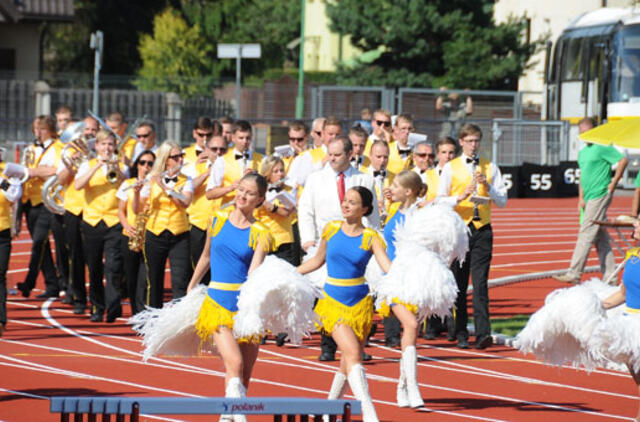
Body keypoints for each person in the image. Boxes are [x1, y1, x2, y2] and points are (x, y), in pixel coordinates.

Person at [298, 186, 391, 422]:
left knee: (346, 362)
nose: (346, 205)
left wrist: (407, 277)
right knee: (353, 353)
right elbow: (317, 261)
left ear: (365, 209)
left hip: (359, 303)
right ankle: (369, 412)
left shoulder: (371, 237)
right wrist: (289, 273)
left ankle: (330, 411)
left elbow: (387, 267)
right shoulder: (330, 230)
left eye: (352, 202)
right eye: (345, 200)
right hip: (332, 302)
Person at [187, 173, 273, 422]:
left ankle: (226, 418)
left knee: (244, 374)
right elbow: (206, 256)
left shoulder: (261, 233)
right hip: (217, 303)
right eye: (241, 190)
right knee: (234, 363)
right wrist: (192, 287)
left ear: (260, 199)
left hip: (245, 306)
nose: (242, 196)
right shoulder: (217, 219)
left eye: (250, 193)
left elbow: (253, 273)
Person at [298, 135, 379, 362]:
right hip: (326, 242)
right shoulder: (316, 179)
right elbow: (305, 210)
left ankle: (355, 344)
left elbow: (372, 215)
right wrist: (307, 240)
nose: (332, 159)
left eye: (337, 155)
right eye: (330, 154)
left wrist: (374, 242)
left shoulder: (365, 179)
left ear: (350, 154)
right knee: (327, 294)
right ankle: (327, 345)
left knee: (356, 292)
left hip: (356, 242)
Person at [437, 123, 507, 349]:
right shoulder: (450, 168)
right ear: (461, 142)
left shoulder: (490, 166)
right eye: (469, 141)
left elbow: (503, 201)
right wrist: (459, 197)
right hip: (459, 229)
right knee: (458, 283)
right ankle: (460, 332)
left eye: (476, 140)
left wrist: (488, 186)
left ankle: (483, 333)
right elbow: (439, 200)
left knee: (480, 283)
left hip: (482, 229)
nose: (473, 145)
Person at [554, 117, 628, 285]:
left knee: (586, 232)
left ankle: (575, 272)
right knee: (599, 236)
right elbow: (583, 175)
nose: (583, 135)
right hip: (588, 197)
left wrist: (613, 183)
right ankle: (611, 276)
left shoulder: (602, 147)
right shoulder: (583, 152)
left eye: (586, 132)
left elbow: (623, 160)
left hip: (600, 194)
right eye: (581, 133)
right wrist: (581, 197)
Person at [381, 170, 427, 407]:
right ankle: (414, 388)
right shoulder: (391, 209)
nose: (392, 188)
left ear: (408, 191)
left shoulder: (420, 216)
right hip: (391, 278)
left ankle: (402, 386)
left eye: (396, 185)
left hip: (413, 279)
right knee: (411, 324)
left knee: (410, 332)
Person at [133, 141, 193, 308]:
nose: (181, 160)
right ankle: (152, 321)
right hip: (155, 233)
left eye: (182, 156)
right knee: (154, 281)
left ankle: (177, 324)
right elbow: (137, 209)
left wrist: (164, 186)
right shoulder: (151, 180)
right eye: (176, 157)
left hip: (180, 234)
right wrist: (136, 194)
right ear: (166, 160)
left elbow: (185, 202)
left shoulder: (187, 180)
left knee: (180, 281)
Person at [74, 129, 127, 322]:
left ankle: (113, 305)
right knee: (94, 267)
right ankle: (97, 306)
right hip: (92, 221)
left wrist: (117, 168)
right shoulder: (87, 165)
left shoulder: (120, 166)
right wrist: (97, 166)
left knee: (113, 267)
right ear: (96, 146)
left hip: (114, 221)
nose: (107, 148)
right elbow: (78, 185)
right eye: (103, 144)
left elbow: (126, 185)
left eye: (111, 145)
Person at [16, 116, 65, 299]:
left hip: (48, 201)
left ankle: (29, 282)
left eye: (42, 129)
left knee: (39, 242)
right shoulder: (30, 149)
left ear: (50, 130)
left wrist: (34, 172)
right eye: (36, 128)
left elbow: (56, 170)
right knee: (41, 246)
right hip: (30, 201)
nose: (38, 132)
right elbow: (24, 170)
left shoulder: (59, 148)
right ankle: (52, 285)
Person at [56, 116, 99, 314]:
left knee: (96, 257)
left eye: (93, 129)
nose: (89, 132)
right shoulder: (69, 152)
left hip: (97, 209)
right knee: (76, 254)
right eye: (86, 129)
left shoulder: (102, 152)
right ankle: (79, 297)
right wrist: (71, 165)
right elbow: (61, 180)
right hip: (75, 208)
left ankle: (98, 299)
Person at [423, 136, 458, 339]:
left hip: (452, 232)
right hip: (432, 230)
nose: (447, 156)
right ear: (438, 154)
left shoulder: (460, 175)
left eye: (451, 153)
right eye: (444, 152)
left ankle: (452, 326)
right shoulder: (428, 176)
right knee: (432, 277)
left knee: (453, 278)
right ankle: (432, 324)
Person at [116, 150, 155, 315]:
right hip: (132, 235)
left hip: (151, 236)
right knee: (131, 277)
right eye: (142, 162)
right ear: (137, 165)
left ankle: (144, 312)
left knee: (146, 279)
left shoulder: (156, 185)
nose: (146, 166)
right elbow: (121, 211)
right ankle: (135, 312)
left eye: (150, 164)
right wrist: (126, 226)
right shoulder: (128, 184)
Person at [185, 135, 226, 284]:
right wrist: (209, 172)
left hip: (222, 223)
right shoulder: (196, 166)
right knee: (197, 268)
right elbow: (190, 186)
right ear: (207, 149)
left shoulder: (230, 167)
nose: (218, 152)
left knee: (219, 268)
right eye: (214, 149)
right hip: (199, 224)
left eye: (222, 149)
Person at [206, 120, 264, 207]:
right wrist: (231, 187)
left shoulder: (262, 159)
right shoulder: (222, 161)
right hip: (228, 213)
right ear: (233, 138)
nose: (245, 142)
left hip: (254, 215)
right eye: (241, 138)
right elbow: (209, 194)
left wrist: (257, 179)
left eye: (248, 138)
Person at [0, 155, 23, 336]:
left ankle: (1, 319)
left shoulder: (7, 175)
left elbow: (14, 196)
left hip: (2, 232)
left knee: (0, 274)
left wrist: (2, 180)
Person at [288, 116, 342, 189]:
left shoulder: (346, 156)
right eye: (330, 134)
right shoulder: (307, 156)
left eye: (337, 134)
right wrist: (322, 163)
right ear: (323, 134)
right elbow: (299, 181)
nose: (334, 137)